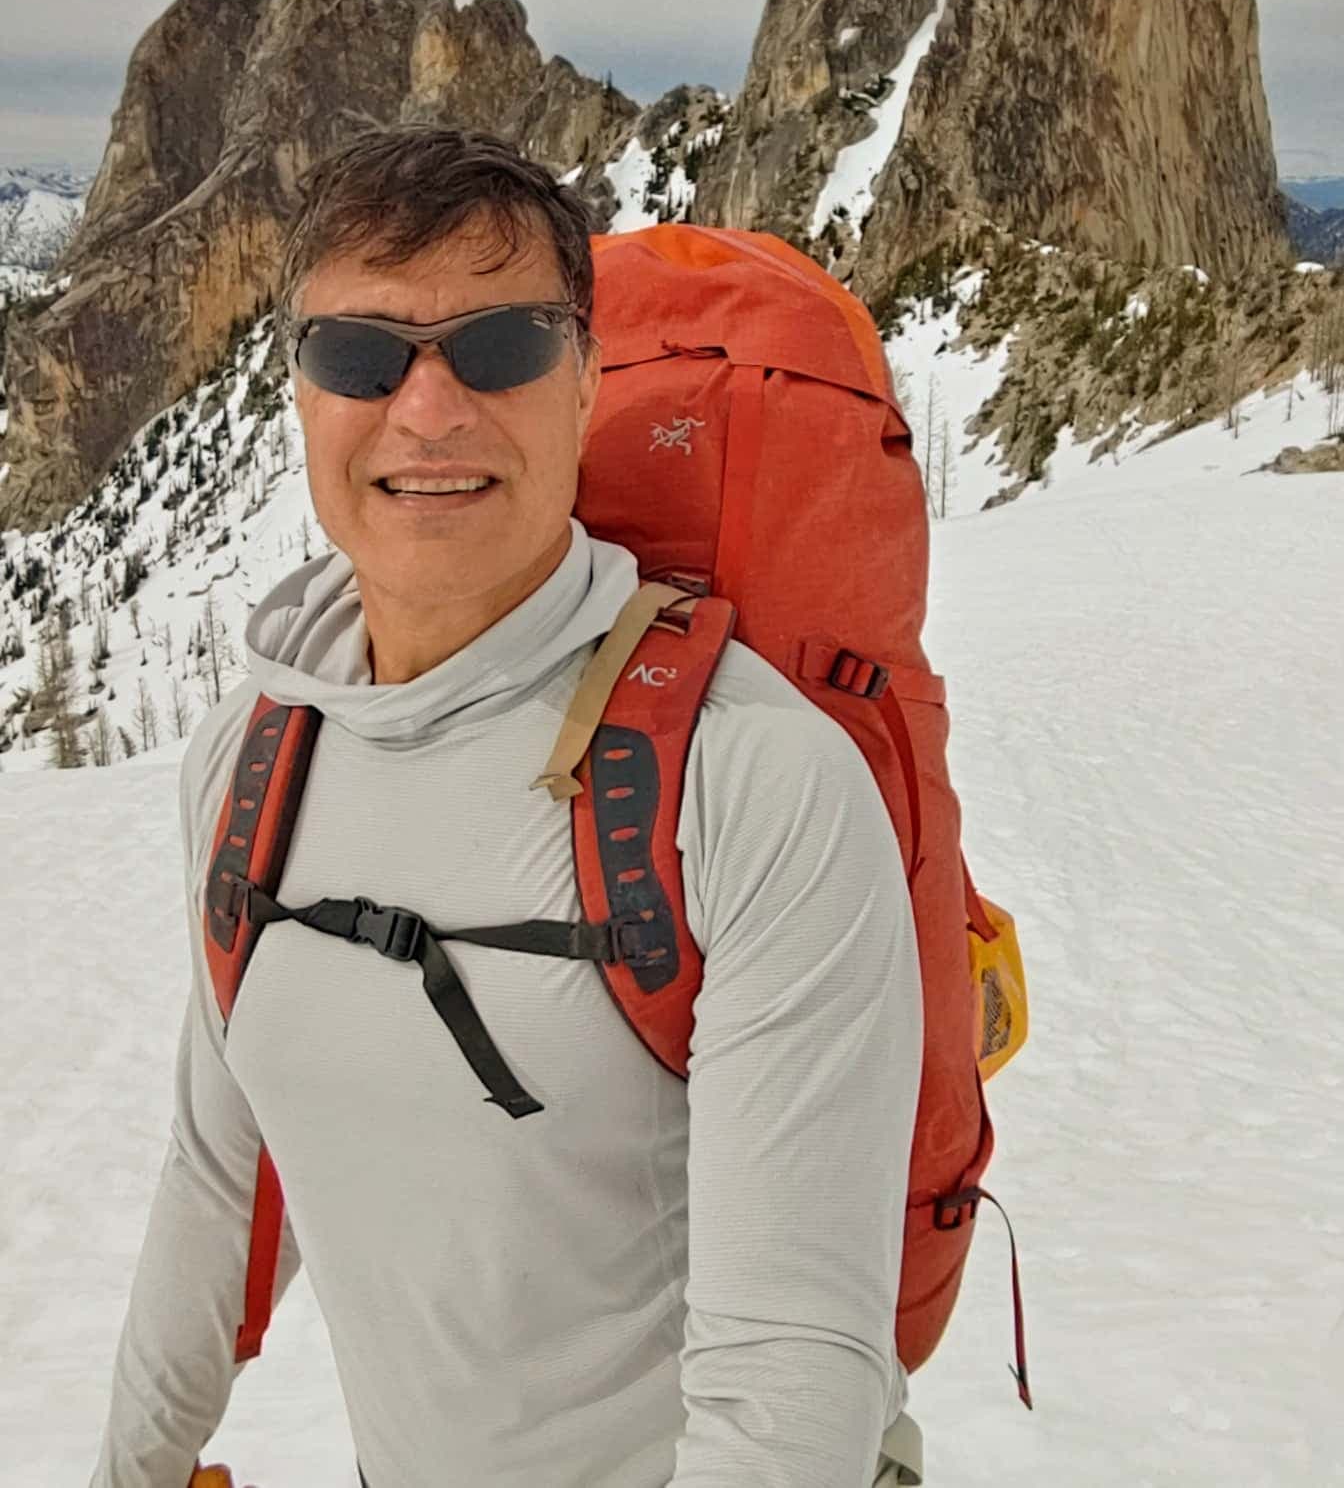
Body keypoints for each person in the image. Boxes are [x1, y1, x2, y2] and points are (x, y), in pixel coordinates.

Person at [88, 125, 923, 1488]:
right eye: (361, 355)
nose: (428, 411)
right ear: (300, 390)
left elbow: (788, 1373)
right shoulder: (250, 760)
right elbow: (220, 1176)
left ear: (583, 378)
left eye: (500, 345)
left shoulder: (751, 775)